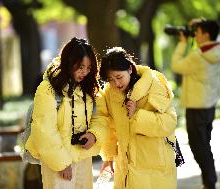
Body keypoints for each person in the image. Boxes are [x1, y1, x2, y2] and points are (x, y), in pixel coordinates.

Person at [25, 37, 109, 189]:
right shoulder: (48, 89)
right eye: (81, 67)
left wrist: (94, 134)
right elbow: (44, 129)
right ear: (69, 62)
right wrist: (61, 163)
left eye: (89, 68)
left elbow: (101, 117)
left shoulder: (89, 89)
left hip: (83, 158)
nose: (85, 72)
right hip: (56, 163)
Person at [97, 47, 177, 189]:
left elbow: (169, 122)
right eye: (110, 79)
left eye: (119, 77)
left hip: (154, 162)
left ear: (129, 69)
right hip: (126, 165)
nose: (116, 83)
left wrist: (137, 115)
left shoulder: (154, 84)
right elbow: (110, 125)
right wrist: (108, 156)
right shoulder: (110, 92)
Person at [171, 19, 220, 189]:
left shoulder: (197, 55)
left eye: (199, 31)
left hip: (196, 106)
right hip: (209, 105)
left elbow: (176, 65)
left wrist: (182, 44)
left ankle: (210, 182)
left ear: (206, 35)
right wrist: (202, 22)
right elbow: (218, 37)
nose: (195, 34)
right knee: (204, 144)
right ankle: (208, 181)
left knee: (197, 146)